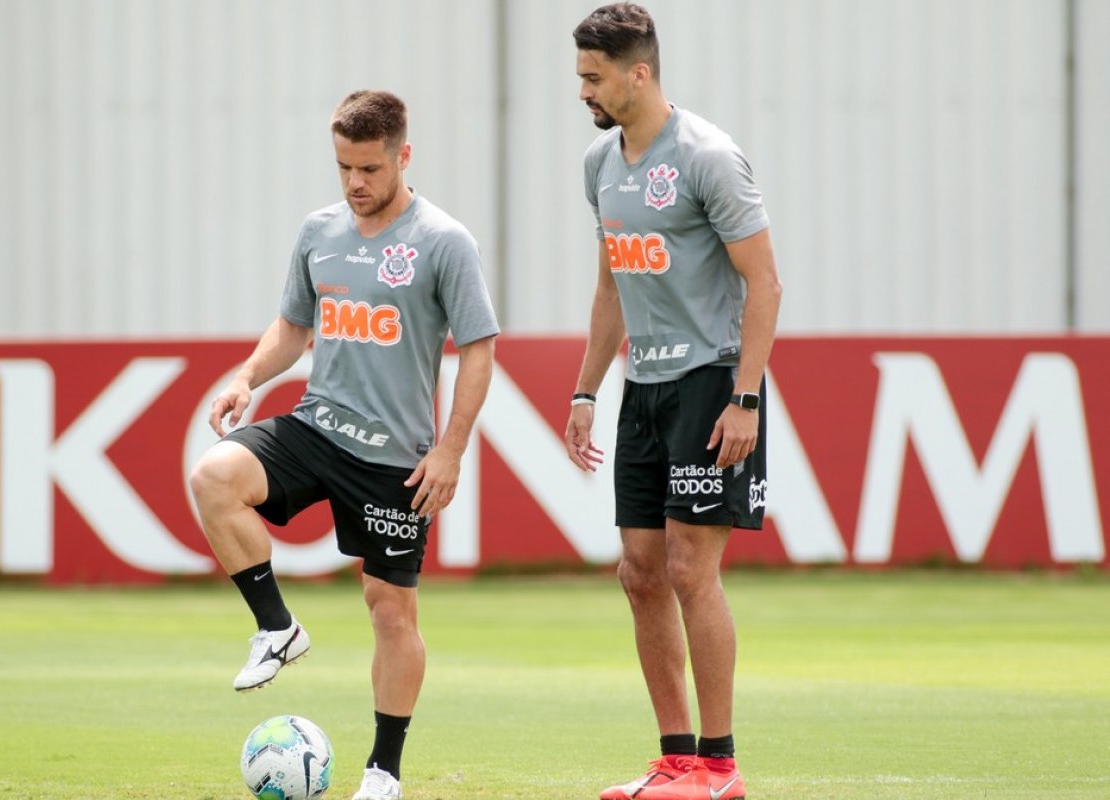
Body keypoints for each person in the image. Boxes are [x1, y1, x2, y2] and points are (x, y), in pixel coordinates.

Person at [189, 89, 499, 800]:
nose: (355, 183)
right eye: (343, 168)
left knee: (390, 609)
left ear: (402, 156)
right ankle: (276, 628)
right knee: (214, 477)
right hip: (317, 425)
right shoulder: (319, 231)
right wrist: (247, 378)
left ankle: (384, 770)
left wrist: (450, 449)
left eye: (368, 168)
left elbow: (477, 351)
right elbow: (293, 328)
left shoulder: (443, 240)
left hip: (395, 455)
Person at [565, 5, 782, 800]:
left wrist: (745, 398)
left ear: (639, 73)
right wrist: (587, 388)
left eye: (593, 77)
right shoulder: (599, 163)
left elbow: (765, 282)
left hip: (710, 382)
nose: (583, 90)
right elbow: (609, 288)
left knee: (693, 568)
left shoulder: (708, 158)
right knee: (639, 572)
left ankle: (721, 768)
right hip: (643, 388)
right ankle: (675, 760)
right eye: (580, 76)